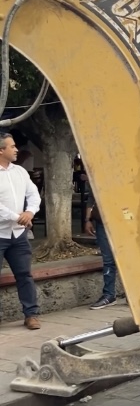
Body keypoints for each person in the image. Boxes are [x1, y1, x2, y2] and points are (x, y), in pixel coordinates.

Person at [0, 133, 42, 329]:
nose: (17, 149)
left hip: (18, 234)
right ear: (1, 150)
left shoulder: (20, 172)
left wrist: (30, 212)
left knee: (24, 275)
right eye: (12, 146)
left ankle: (31, 315)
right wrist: (18, 217)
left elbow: (33, 194)